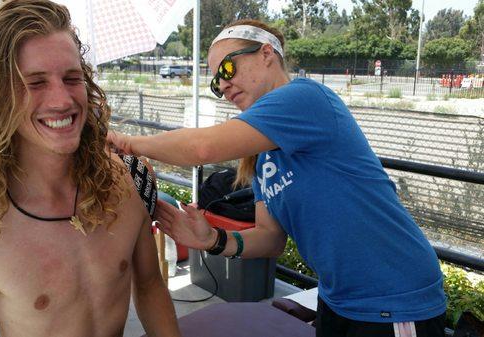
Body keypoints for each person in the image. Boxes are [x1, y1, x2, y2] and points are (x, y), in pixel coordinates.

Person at [108, 19, 447, 337]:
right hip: (338, 297)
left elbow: (202, 148)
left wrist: (127, 143)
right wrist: (212, 239)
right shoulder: (262, 155)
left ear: (266, 53)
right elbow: (271, 238)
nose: (223, 85)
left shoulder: (305, 98)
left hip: (394, 296)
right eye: (215, 81)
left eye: (228, 68)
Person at [0, 1, 181, 336]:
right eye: (35, 82)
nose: (62, 100)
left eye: (71, 77)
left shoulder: (122, 182)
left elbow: (149, 286)